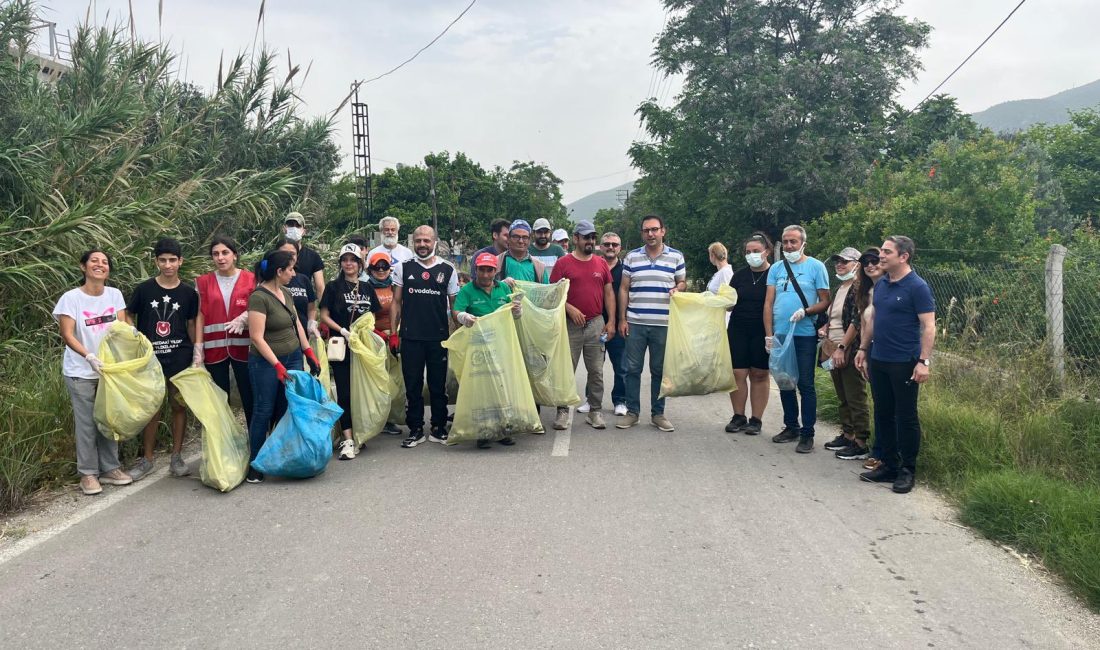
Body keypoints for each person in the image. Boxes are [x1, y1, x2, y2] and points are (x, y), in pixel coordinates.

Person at [856, 236, 936, 494]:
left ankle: (907, 470)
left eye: (887, 252)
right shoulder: (882, 285)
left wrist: (923, 361)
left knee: (906, 416)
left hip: (905, 361)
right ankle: (888, 464)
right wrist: (863, 349)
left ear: (903, 256)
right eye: (881, 251)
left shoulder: (917, 287)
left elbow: (929, 326)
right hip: (879, 358)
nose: (881, 256)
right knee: (883, 412)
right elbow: (874, 319)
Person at [53, 249, 135, 495]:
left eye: (105, 262)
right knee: (87, 423)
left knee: (109, 420)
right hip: (81, 371)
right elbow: (67, 333)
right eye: (94, 261)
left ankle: (111, 468)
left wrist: (132, 336)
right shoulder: (71, 298)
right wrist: (88, 356)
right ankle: (88, 473)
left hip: (109, 370)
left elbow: (120, 327)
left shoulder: (114, 294)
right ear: (83, 267)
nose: (100, 265)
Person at [245, 250, 323, 483]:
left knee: (286, 409)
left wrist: (308, 351)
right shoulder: (259, 297)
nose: (294, 273)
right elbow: (257, 337)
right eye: (291, 269)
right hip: (266, 364)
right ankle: (255, 464)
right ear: (279, 272)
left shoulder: (286, 292)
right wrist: (277, 365)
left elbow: (296, 323)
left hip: (292, 357)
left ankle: (281, 456)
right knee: (263, 410)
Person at [124, 238, 199, 481]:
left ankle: (176, 457)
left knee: (178, 406)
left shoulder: (189, 293)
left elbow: (191, 324)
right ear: (156, 261)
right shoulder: (144, 290)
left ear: (180, 262)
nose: (168, 265)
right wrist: (134, 336)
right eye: (163, 260)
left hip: (179, 359)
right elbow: (127, 314)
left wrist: (197, 355)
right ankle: (147, 460)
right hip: (150, 361)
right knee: (151, 409)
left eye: (172, 260)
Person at [763, 224, 830, 453]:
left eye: (794, 242)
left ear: (803, 243)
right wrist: (769, 334)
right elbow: (769, 303)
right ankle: (791, 426)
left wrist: (807, 311)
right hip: (781, 333)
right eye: (786, 242)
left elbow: (824, 301)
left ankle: (807, 433)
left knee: (805, 383)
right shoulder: (777, 268)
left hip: (804, 334)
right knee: (785, 380)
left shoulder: (816, 267)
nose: (790, 246)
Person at [616, 215, 686, 432]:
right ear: (642, 233)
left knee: (659, 370)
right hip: (635, 322)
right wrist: (622, 319)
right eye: (647, 230)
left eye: (655, 229)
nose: (651, 234)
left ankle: (658, 414)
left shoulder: (676, 256)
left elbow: (682, 282)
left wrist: (679, 288)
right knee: (632, 369)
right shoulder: (632, 257)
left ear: (663, 231)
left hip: (663, 323)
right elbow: (624, 288)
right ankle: (632, 413)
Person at [392, 226, 459, 448]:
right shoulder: (404, 268)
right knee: (413, 385)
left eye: (426, 241)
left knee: (438, 385)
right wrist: (394, 333)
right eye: (418, 240)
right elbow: (396, 302)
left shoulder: (448, 269)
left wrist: (459, 333)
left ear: (435, 242)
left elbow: (455, 306)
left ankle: (439, 427)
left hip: (438, 337)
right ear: (413, 242)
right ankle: (416, 429)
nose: (422, 244)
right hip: (411, 337)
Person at [550, 220, 616, 431]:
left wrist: (612, 321)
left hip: (596, 323)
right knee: (565, 370)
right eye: (586, 237)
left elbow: (608, 293)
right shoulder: (563, 263)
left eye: (592, 237)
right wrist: (569, 308)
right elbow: (554, 293)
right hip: (570, 325)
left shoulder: (601, 263)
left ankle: (595, 411)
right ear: (576, 238)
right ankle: (562, 411)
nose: (590, 241)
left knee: (596, 370)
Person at [452, 252, 524, 448]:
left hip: (502, 345)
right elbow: (456, 310)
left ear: (495, 271)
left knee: (503, 386)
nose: (485, 275)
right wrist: (463, 318)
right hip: (479, 347)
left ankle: (504, 429)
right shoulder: (467, 290)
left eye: (489, 270)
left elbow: (513, 313)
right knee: (483, 388)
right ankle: (483, 431)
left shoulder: (503, 288)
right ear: (475, 270)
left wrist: (518, 311)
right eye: (481, 270)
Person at [320, 244, 382, 459]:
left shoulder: (367, 288)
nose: (349, 263)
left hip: (362, 347)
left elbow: (373, 315)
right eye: (345, 259)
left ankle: (359, 433)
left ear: (360, 264)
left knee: (361, 391)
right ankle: (347, 438)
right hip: (342, 345)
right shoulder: (333, 287)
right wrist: (342, 330)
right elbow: (324, 315)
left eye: (353, 260)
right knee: (345, 392)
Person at [193, 236, 255, 428]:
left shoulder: (251, 278)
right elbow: (200, 315)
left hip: (245, 348)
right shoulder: (203, 282)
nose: (220, 258)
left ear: (234, 255)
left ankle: (256, 445)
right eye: (216, 254)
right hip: (214, 349)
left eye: (225, 252)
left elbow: (258, 308)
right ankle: (225, 448)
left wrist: (245, 317)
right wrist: (198, 346)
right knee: (219, 401)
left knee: (250, 398)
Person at [818, 247, 871, 458]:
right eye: (838, 261)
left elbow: (857, 321)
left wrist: (843, 347)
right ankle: (847, 434)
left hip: (849, 349)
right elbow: (836, 318)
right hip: (833, 347)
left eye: (845, 262)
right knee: (842, 395)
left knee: (855, 395)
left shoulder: (858, 287)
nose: (839, 265)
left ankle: (861, 441)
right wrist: (826, 330)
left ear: (857, 264)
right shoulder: (841, 287)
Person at [724, 232, 773, 435]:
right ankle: (738, 416)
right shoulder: (740, 276)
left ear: (767, 252)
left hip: (763, 330)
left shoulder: (775, 274)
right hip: (738, 329)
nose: (751, 254)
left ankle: (756, 419)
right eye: (748, 252)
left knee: (759, 374)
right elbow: (728, 303)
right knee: (737, 373)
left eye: (756, 251)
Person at [365, 251, 402, 436]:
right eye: (376, 267)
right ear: (370, 269)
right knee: (378, 380)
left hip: (395, 337)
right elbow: (363, 317)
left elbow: (401, 309)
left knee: (394, 380)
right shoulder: (365, 288)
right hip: (375, 338)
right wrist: (378, 334)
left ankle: (390, 418)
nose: (381, 270)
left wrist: (396, 334)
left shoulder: (396, 287)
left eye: (384, 267)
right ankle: (377, 418)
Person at [594, 231, 628, 417]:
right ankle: (591, 400)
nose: (610, 247)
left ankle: (620, 400)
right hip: (596, 322)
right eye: (607, 244)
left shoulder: (625, 270)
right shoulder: (594, 266)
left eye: (614, 244)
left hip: (618, 323)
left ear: (619, 248)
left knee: (621, 366)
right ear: (600, 246)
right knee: (595, 366)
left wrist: (622, 320)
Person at [276, 238, 320, 340]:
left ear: (297, 256)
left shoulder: (303, 280)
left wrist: (311, 323)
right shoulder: (271, 280)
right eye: (283, 253)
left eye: (292, 254)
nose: (288, 257)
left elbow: (312, 308)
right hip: (279, 338)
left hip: (303, 335)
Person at [283, 211, 325, 301]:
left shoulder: (313, 256)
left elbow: (320, 288)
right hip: (278, 305)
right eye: (290, 225)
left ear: (304, 231)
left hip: (305, 307)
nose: (294, 228)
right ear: (284, 229)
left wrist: (323, 310)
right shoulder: (273, 254)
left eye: (298, 226)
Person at [496, 219, 548, 284]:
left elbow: (546, 291)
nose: (521, 241)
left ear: (529, 240)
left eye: (525, 237)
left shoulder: (539, 267)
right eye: (516, 237)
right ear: (509, 239)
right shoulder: (496, 262)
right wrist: (502, 284)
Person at [707, 242, 735, 326]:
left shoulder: (725, 272)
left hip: (723, 319)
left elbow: (729, 297)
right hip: (714, 317)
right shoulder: (719, 273)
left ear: (712, 255)